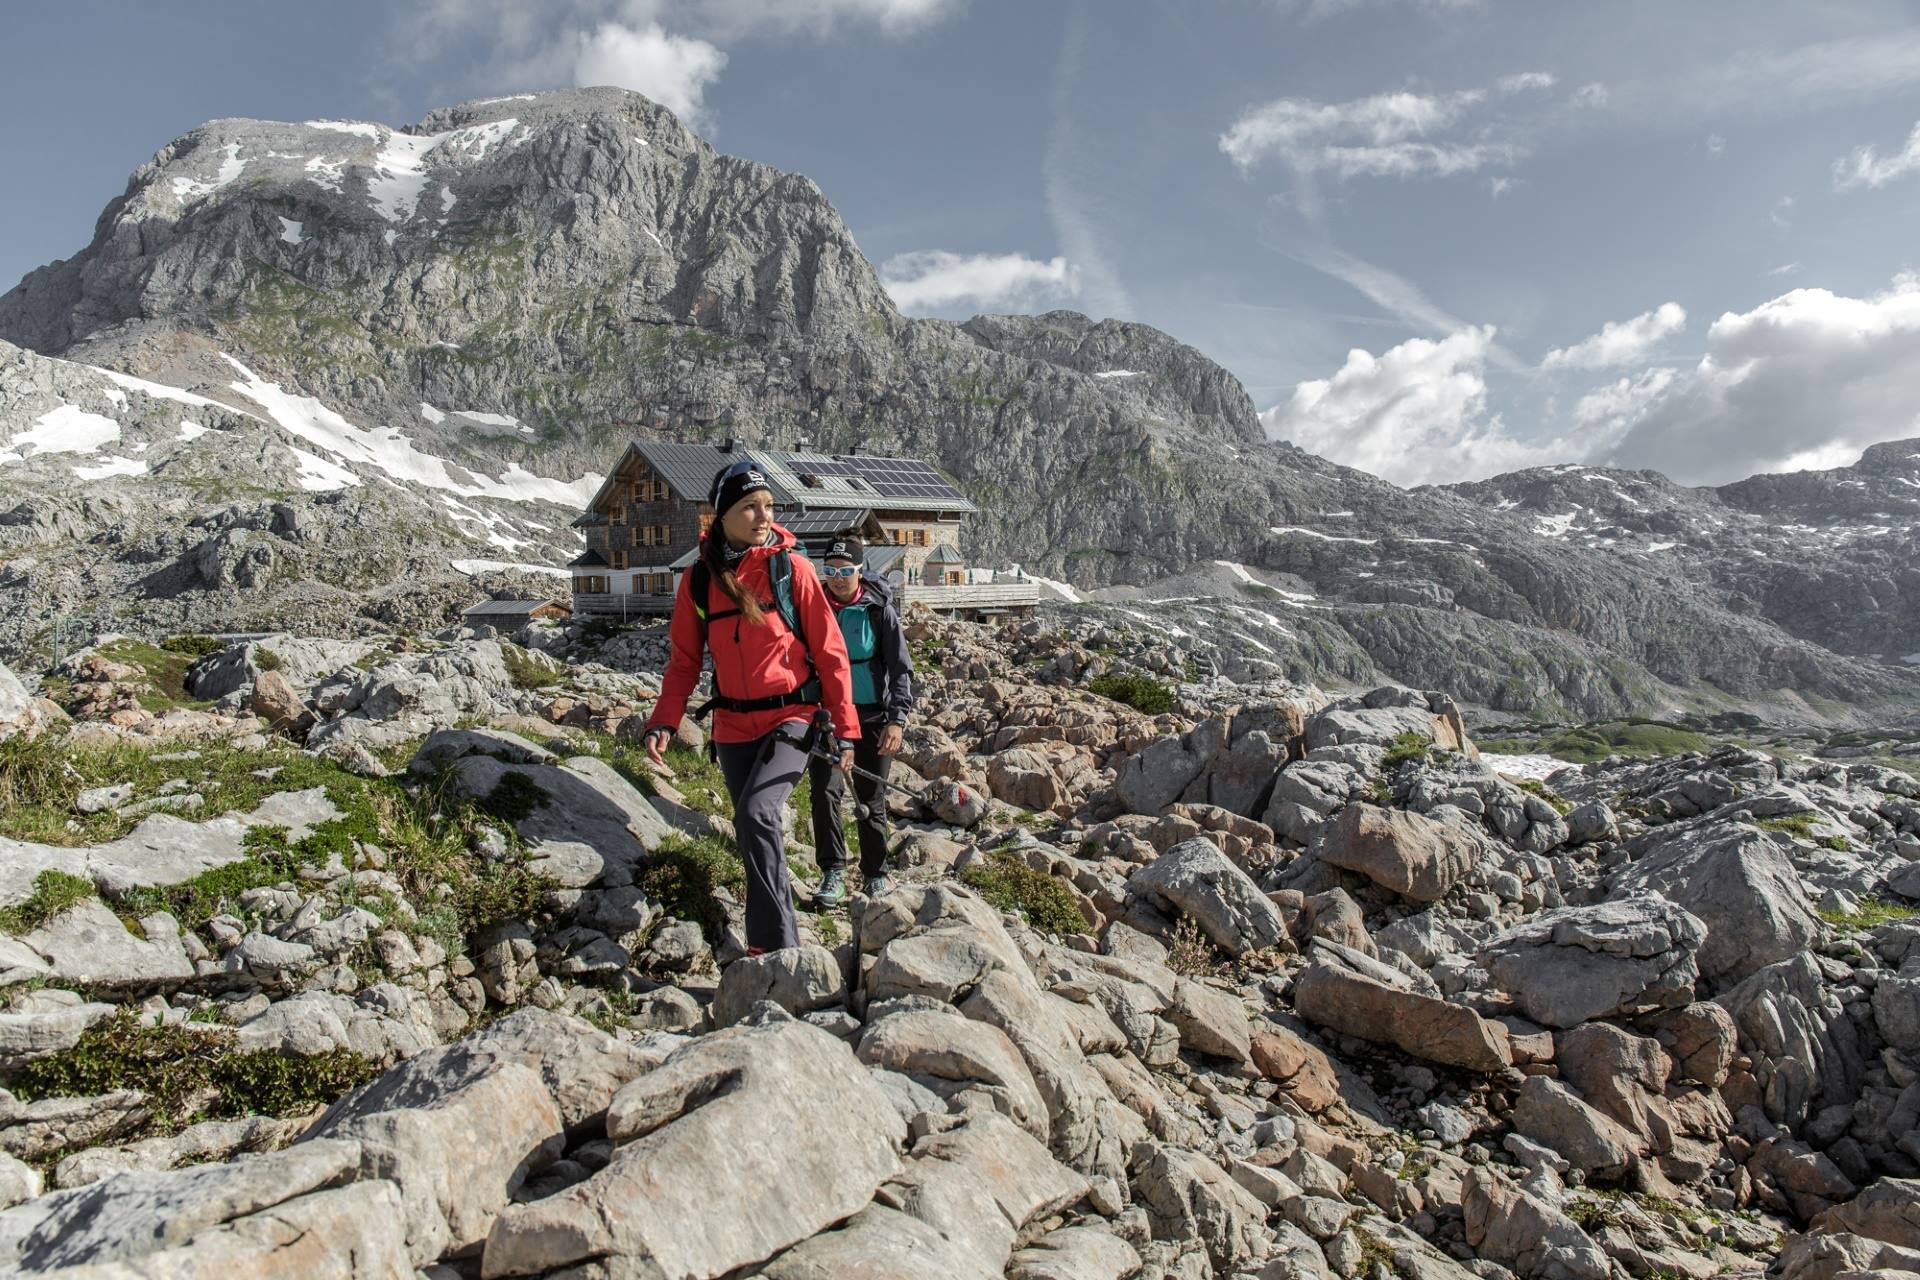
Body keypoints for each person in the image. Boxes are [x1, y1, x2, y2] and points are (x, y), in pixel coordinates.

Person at [640, 459, 859, 956]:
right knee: (752, 829)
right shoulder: (698, 581)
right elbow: (683, 661)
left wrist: (845, 729)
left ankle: (777, 949)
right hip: (733, 727)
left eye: (768, 505)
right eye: (750, 507)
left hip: (794, 719)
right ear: (721, 516)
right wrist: (664, 721)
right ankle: (775, 940)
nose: (764, 516)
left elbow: (830, 652)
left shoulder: (792, 568)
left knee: (758, 814)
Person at [808, 535, 914, 905]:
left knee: (873, 797)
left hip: (873, 717)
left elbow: (901, 669)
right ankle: (833, 871)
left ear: (860, 570)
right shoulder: (812, 606)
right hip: (828, 719)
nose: (838, 578)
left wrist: (897, 720)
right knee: (825, 792)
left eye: (846, 571)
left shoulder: (878, 609)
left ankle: (875, 872)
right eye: (830, 571)